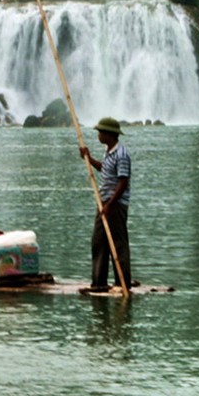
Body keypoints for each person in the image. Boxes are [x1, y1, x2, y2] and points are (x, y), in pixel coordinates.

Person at [78, 117, 132, 292]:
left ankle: (122, 282)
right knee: (99, 241)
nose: (99, 134)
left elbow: (123, 182)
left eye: (101, 132)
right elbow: (104, 169)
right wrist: (88, 158)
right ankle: (99, 282)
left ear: (109, 134)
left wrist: (110, 204)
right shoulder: (109, 152)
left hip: (114, 205)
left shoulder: (121, 154)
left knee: (118, 243)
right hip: (104, 203)